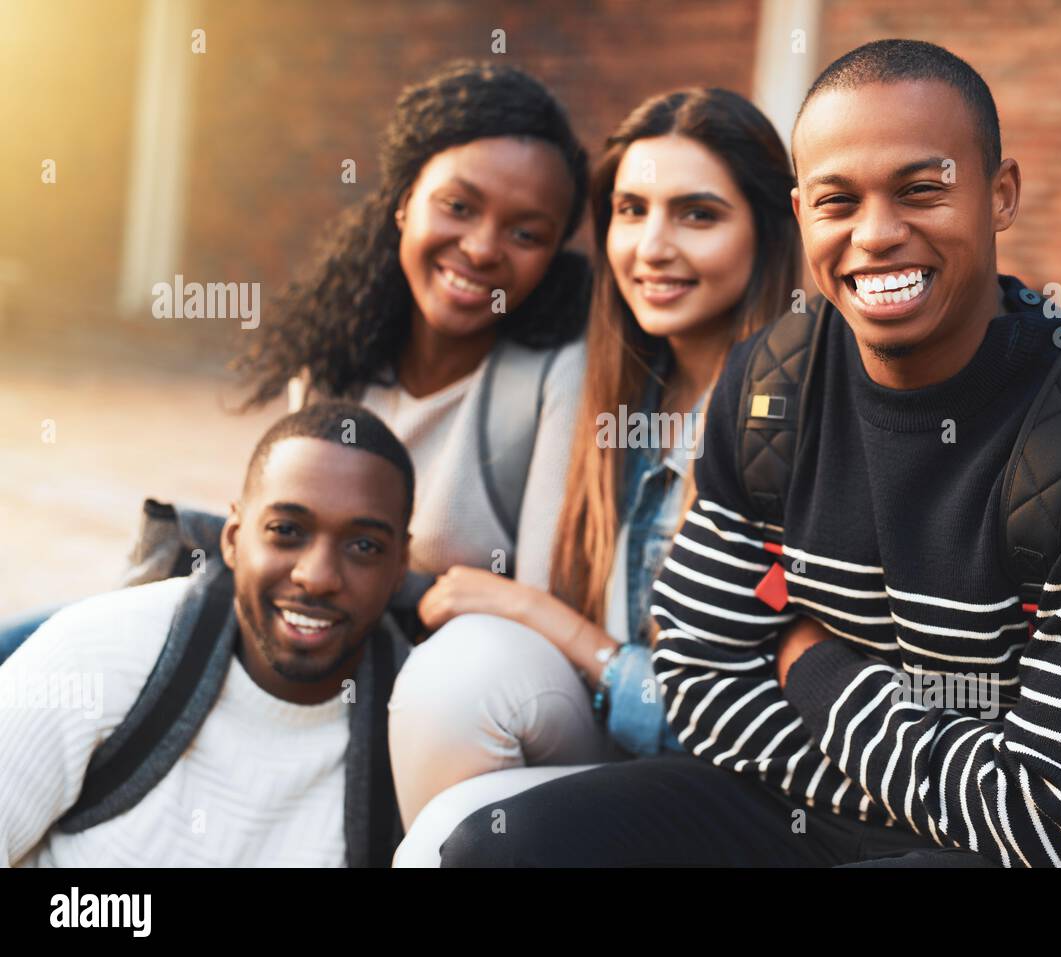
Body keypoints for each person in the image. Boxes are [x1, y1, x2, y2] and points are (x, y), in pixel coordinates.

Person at [438, 39, 1061, 868]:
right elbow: (700, 680)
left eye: (923, 190)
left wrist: (810, 666)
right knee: (504, 848)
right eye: (838, 200)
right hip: (811, 811)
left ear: (1001, 195)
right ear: (803, 211)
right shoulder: (769, 384)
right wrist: (899, 770)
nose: (878, 234)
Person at [0, 60, 591, 663]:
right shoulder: (344, 341)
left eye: (525, 234)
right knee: (33, 645)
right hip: (293, 639)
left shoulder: (556, 376)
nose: (482, 247)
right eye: (458, 207)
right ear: (406, 201)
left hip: (426, 680)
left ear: (552, 254)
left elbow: (537, 610)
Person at [386, 87, 802, 865]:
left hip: (741, 793)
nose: (652, 247)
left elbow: (754, 724)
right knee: (461, 676)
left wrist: (546, 617)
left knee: (440, 845)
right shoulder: (613, 395)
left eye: (698, 215)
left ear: (768, 234)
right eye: (631, 209)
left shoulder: (798, 418)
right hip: (611, 748)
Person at [0, 402, 415, 866]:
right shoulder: (105, 649)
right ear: (234, 537)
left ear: (400, 565)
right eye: (286, 530)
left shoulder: (420, 735)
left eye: (364, 546)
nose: (317, 576)